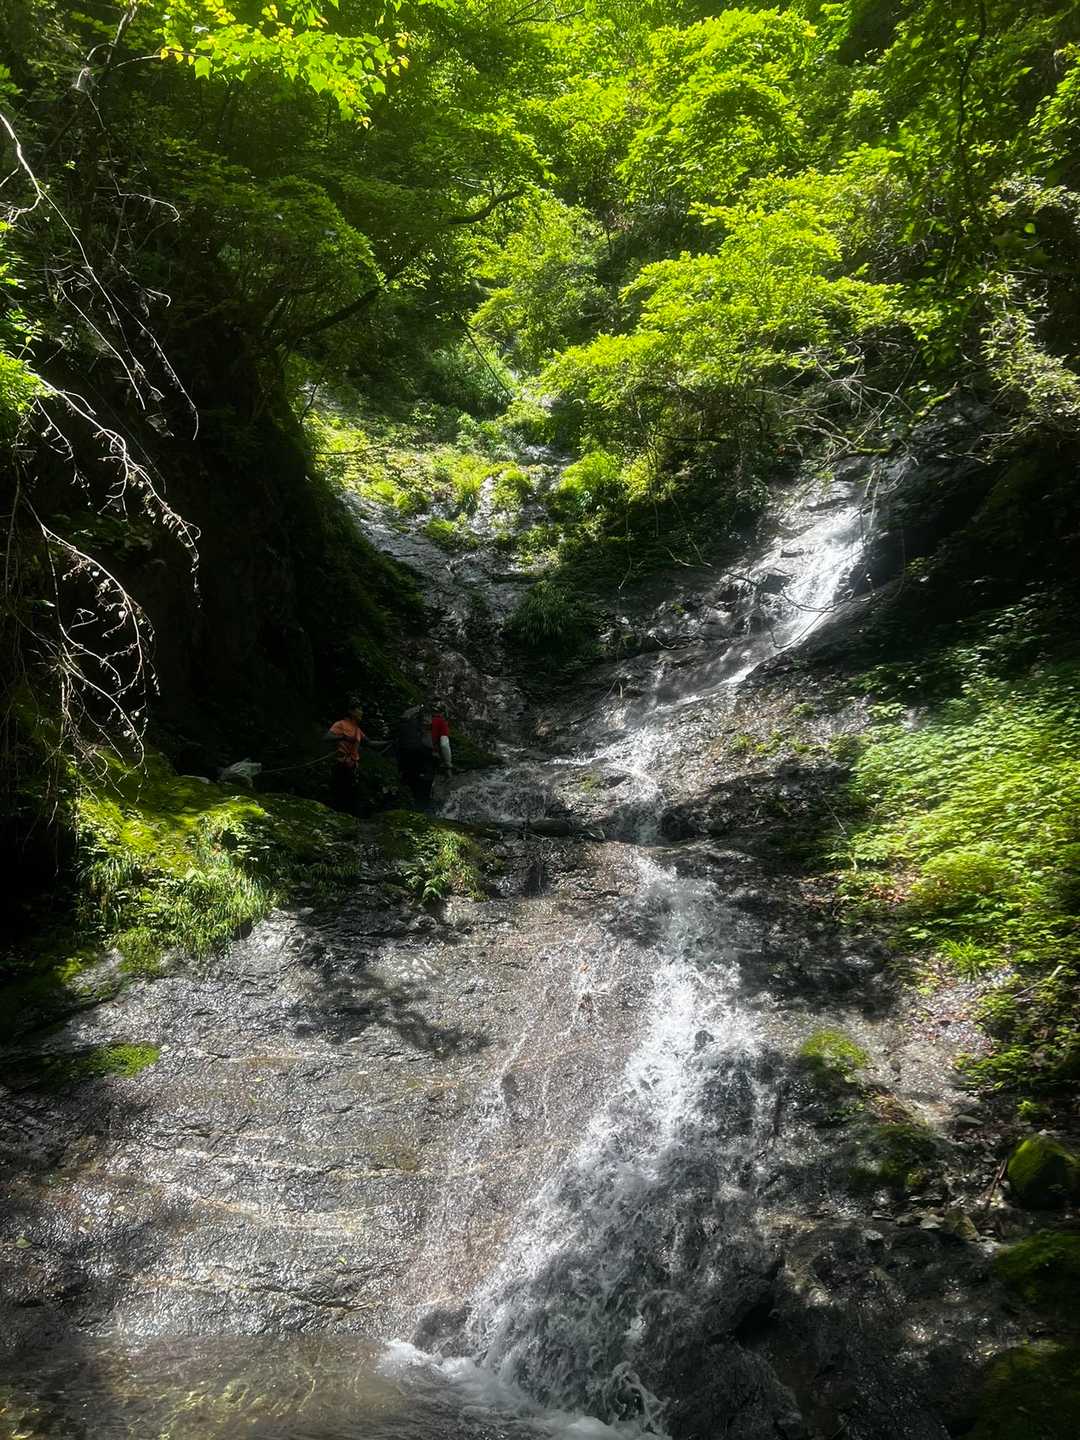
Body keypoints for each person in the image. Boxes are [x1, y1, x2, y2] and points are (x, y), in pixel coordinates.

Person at [325, 699, 367, 814]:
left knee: (351, 794)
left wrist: (390, 742)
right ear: (351, 711)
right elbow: (327, 737)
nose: (362, 712)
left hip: (352, 766)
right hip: (341, 764)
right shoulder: (340, 724)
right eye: (359, 709)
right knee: (340, 792)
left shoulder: (357, 729)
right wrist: (343, 737)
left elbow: (370, 742)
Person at [395, 703, 436, 809]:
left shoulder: (404, 725)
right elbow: (428, 745)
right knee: (422, 789)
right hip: (421, 764)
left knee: (412, 784)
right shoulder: (419, 729)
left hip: (406, 765)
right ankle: (422, 808)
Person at [431, 700, 453, 778]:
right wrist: (448, 764)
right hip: (433, 752)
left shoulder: (421, 719)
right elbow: (444, 744)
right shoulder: (441, 722)